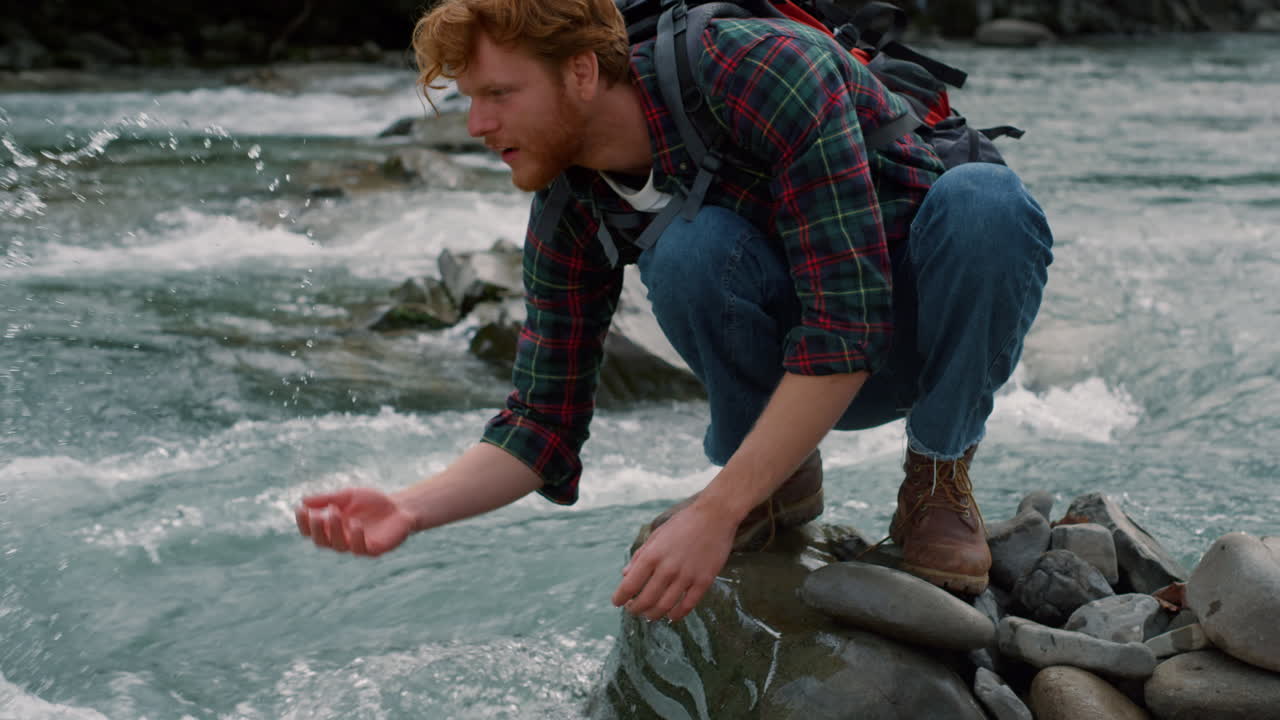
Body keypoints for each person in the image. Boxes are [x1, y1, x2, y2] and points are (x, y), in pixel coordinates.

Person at [296, 0, 1053, 622]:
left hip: (919, 330)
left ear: (583, 72)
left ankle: (937, 476)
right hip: (799, 376)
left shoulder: (761, 69)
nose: (476, 126)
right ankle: (779, 482)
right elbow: (540, 427)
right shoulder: (572, 208)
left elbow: (846, 327)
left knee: (985, 201)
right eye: (468, 101)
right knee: (689, 246)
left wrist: (713, 512)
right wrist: (408, 507)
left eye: (498, 94)